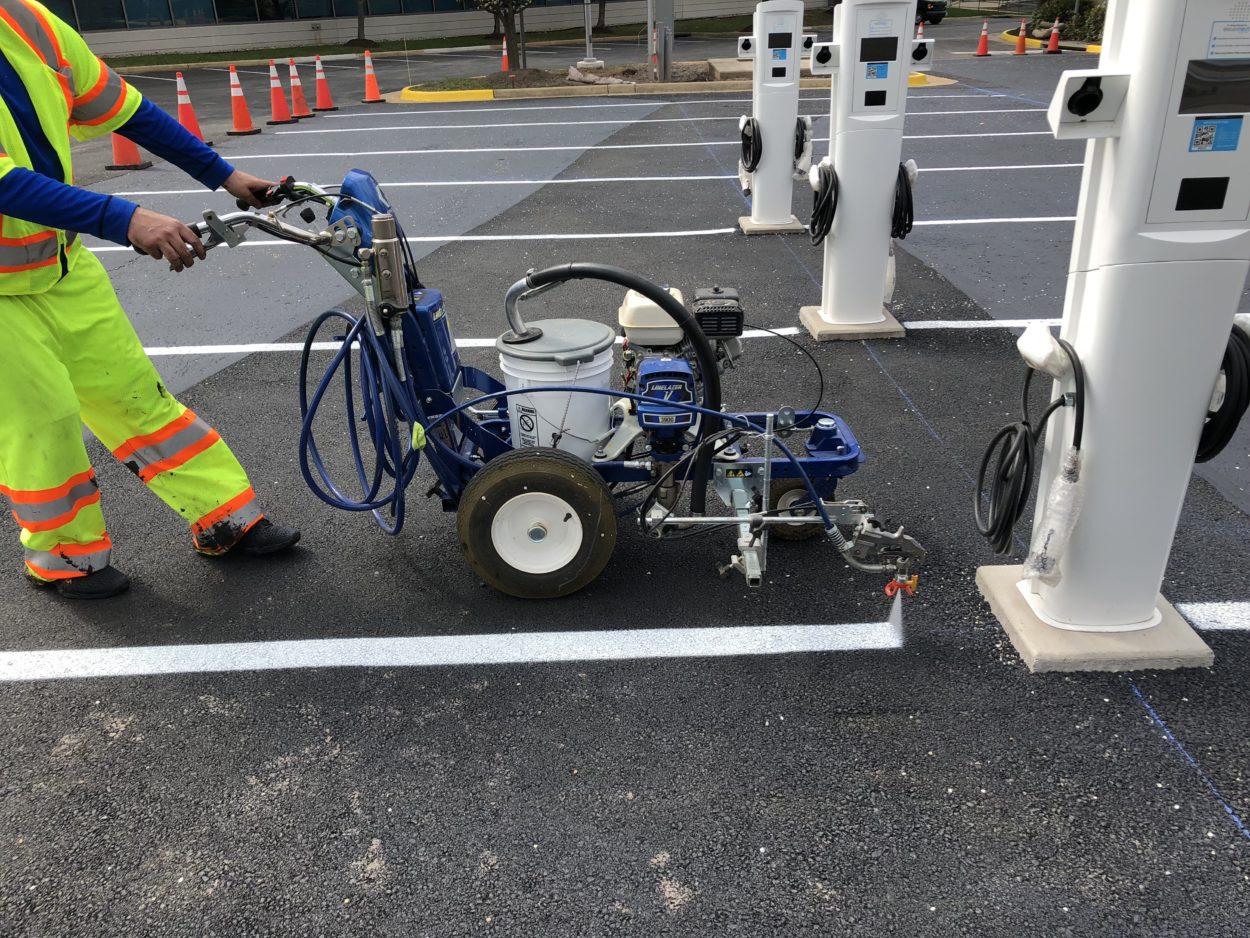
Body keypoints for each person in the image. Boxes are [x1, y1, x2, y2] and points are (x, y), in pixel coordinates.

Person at [0, 0, 300, 600]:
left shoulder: (26, 21)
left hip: (59, 264)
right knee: (43, 422)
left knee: (135, 393)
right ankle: (64, 557)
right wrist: (125, 217)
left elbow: (128, 108)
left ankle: (224, 517)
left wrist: (225, 175)